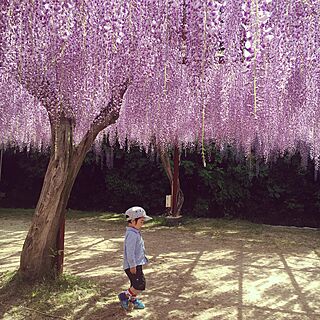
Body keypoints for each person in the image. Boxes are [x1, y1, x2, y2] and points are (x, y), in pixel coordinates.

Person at [118, 206, 152, 311]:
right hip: (132, 265)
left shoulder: (135, 232)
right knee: (140, 285)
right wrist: (132, 265)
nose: (143, 223)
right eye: (141, 221)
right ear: (133, 221)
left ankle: (132, 301)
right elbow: (130, 252)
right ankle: (124, 296)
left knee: (135, 284)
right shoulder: (132, 234)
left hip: (137, 264)